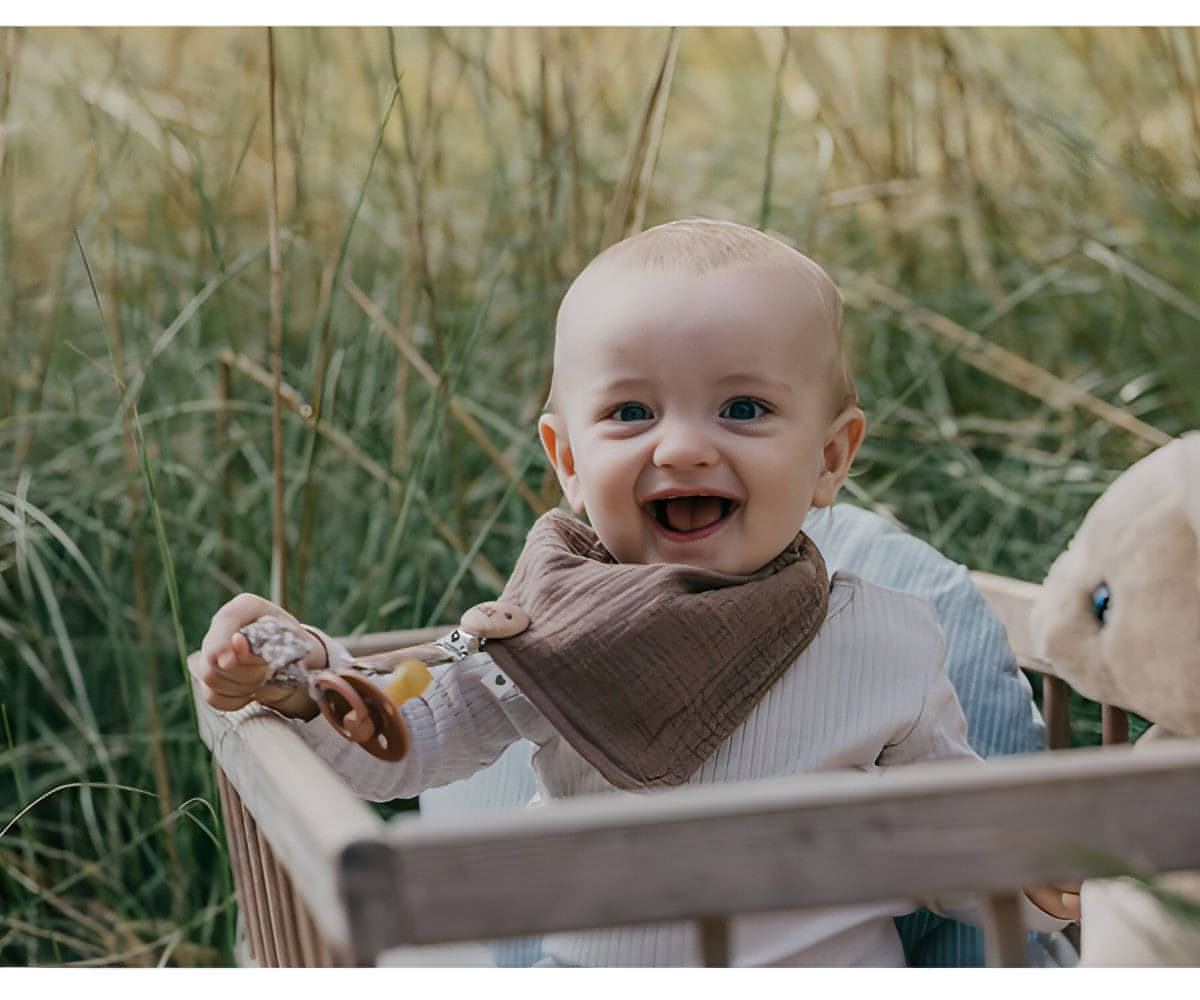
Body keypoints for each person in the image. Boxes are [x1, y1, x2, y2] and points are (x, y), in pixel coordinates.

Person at [194, 218, 1078, 965]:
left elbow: (942, 829)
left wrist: (1038, 880)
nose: (684, 448)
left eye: (742, 409)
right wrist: (303, 682)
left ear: (831, 458)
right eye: (630, 413)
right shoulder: (548, 634)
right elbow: (405, 743)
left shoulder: (888, 638)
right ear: (569, 464)